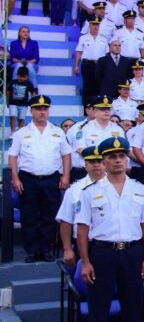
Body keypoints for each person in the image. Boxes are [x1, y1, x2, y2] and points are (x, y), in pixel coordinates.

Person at [74, 136, 144, 322]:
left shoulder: (141, 190)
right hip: (102, 252)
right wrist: (85, 262)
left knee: (134, 306)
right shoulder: (89, 192)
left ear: (127, 160)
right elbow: (82, 229)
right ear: (104, 161)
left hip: (132, 252)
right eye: (112, 157)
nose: (118, 160)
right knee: (99, 306)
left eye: (121, 156)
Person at [8, 95, 73, 262]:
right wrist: (15, 179)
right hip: (28, 178)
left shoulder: (57, 132)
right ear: (31, 111)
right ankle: (31, 251)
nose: (42, 112)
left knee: (49, 215)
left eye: (45, 109)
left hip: (51, 178)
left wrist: (65, 176)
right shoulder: (21, 133)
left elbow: (66, 155)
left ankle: (45, 250)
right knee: (29, 216)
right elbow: (13, 157)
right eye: (38, 109)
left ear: (48, 110)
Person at [55, 145, 104, 267]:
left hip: (108, 245)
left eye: (100, 161)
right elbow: (66, 220)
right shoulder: (74, 189)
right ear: (84, 164)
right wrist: (67, 249)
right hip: (84, 244)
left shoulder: (116, 187)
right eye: (92, 162)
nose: (96, 165)